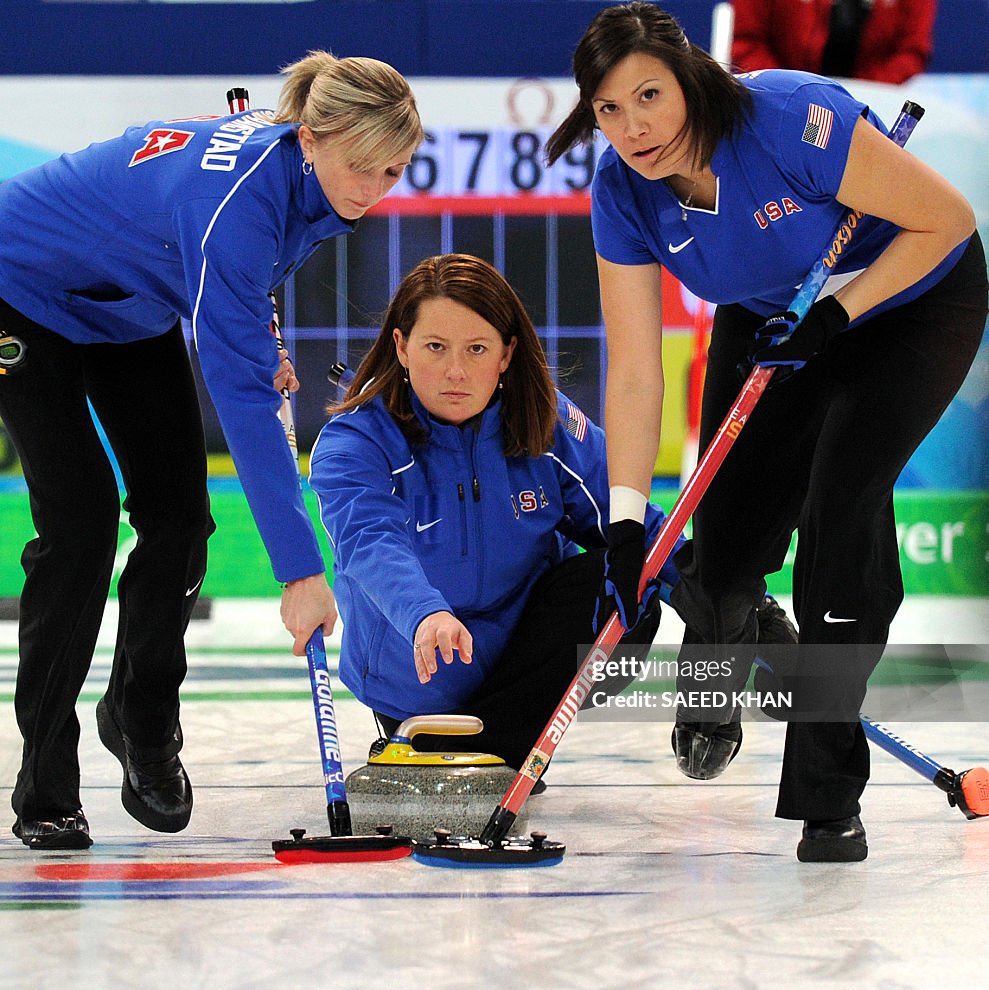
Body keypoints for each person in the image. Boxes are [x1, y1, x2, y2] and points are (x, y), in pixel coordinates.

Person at [546, 2, 986, 861]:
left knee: (839, 519)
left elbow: (948, 219)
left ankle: (827, 798)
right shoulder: (620, 193)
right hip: (772, 316)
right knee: (723, 550)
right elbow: (634, 371)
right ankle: (725, 653)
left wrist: (835, 316)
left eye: (648, 96)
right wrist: (627, 524)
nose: (632, 128)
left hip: (909, 299)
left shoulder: (786, 116)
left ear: (689, 79)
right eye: (608, 109)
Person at [0, 51, 423, 849]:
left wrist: (254, 335)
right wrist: (301, 573)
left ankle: (140, 718)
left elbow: (234, 277)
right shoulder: (236, 206)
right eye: (361, 166)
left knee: (180, 520)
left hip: (129, 301)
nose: (374, 188)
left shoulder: (299, 172)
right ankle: (45, 785)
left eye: (393, 170)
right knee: (81, 524)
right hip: (17, 288)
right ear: (309, 139)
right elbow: (245, 405)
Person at [308, 252, 686, 771]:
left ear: (506, 353)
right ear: (401, 346)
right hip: (424, 667)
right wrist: (424, 613)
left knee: (627, 576)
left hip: (524, 665)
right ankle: (460, 741)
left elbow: (628, 519)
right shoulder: (355, 441)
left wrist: (727, 601)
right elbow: (370, 542)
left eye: (477, 349)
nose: (456, 371)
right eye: (435, 347)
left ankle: (490, 749)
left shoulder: (545, 421)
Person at [732, 0, 937, 85]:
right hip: (784, 104)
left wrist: (858, 100)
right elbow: (747, 42)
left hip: (869, 110)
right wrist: (794, 91)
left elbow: (912, 51)